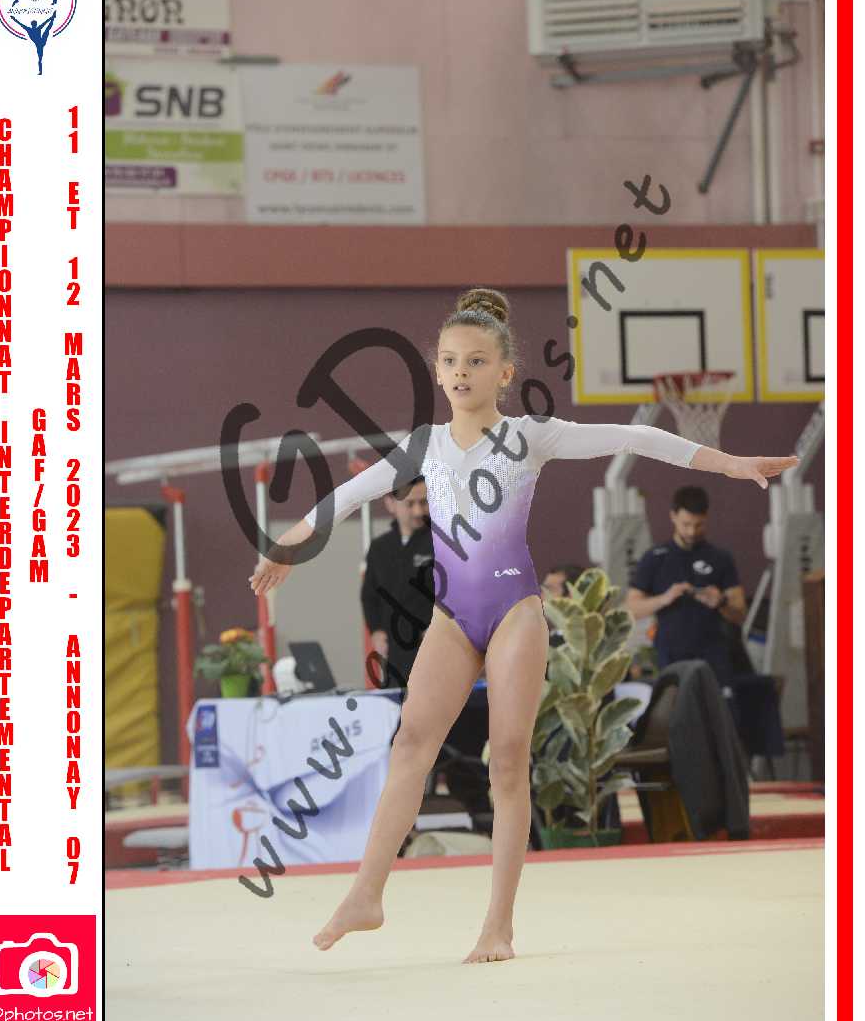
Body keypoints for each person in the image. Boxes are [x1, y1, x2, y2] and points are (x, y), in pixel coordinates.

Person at [249, 287, 799, 963]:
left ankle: (498, 926)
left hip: (514, 613)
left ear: (505, 373)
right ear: (437, 370)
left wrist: (731, 464)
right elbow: (344, 498)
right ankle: (367, 893)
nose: (460, 372)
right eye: (450, 361)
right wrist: (287, 547)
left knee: (508, 761)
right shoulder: (424, 446)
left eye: (476, 362)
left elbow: (634, 437)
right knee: (410, 745)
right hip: (451, 618)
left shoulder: (529, 436)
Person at [625, 486, 748, 688]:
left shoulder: (720, 558)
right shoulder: (655, 558)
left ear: (706, 517)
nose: (691, 531)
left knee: (719, 706)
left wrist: (720, 601)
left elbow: (740, 613)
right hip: (671, 654)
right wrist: (664, 599)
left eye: (698, 525)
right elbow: (631, 609)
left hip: (713, 653)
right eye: (686, 524)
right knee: (678, 706)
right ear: (673, 516)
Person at [360, 476, 434, 690]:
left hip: (433, 647)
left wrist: (439, 629)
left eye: (424, 502)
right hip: (394, 653)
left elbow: (457, 595)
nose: (418, 511)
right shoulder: (379, 548)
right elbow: (369, 596)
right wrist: (376, 630)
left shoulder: (441, 542)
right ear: (391, 503)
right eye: (410, 504)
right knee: (395, 704)